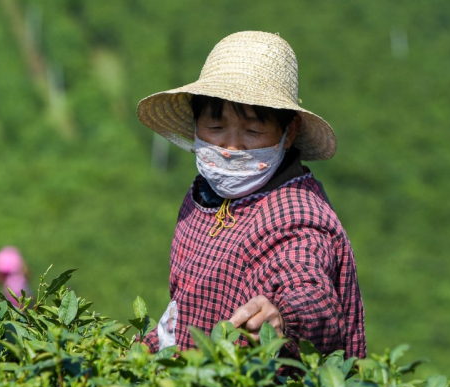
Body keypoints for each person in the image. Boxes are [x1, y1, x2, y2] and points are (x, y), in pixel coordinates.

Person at [136, 31, 366, 359]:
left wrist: (285, 316)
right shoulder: (204, 195)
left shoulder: (297, 217)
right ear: (196, 124)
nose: (231, 147)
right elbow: (184, 308)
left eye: (253, 131)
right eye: (216, 128)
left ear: (290, 133)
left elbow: (311, 293)